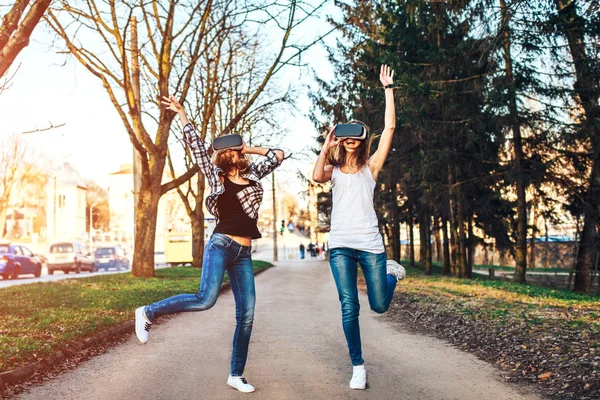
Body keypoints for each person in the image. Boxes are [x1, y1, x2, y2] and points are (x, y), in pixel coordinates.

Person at [134, 95, 284, 394]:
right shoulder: (214, 176)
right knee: (205, 298)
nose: (228, 156)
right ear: (219, 159)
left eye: (233, 152)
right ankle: (148, 312)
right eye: (224, 153)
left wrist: (245, 145)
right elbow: (196, 145)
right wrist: (183, 114)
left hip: (243, 253)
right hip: (220, 244)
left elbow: (279, 154)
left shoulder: (254, 174)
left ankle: (236, 375)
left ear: (239, 155)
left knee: (248, 314)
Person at [312, 64, 406, 390]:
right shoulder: (334, 170)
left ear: (362, 141)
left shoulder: (371, 166)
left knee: (379, 305)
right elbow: (315, 175)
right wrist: (327, 143)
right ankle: (358, 365)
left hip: (370, 245)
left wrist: (388, 89)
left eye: (355, 137)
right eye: (345, 138)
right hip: (340, 245)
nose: (350, 141)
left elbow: (390, 128)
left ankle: (391, 273)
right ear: (341, 141)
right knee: (349, 305)